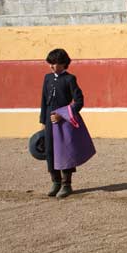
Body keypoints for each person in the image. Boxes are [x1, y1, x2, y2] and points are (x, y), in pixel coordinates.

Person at [40, 49, 85, 198]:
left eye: (54, 63)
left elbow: (79, 101)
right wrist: (43, 121)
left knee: (65, 151)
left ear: (63, 64)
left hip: (64, 120)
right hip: (49, 119)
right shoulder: (47, 78)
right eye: (50, 63)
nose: (51, 66)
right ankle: (55, 182)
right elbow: (44, 101)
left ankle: (67, 184)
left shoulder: (70, 79)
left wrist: (61, 115)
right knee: (50, 151)